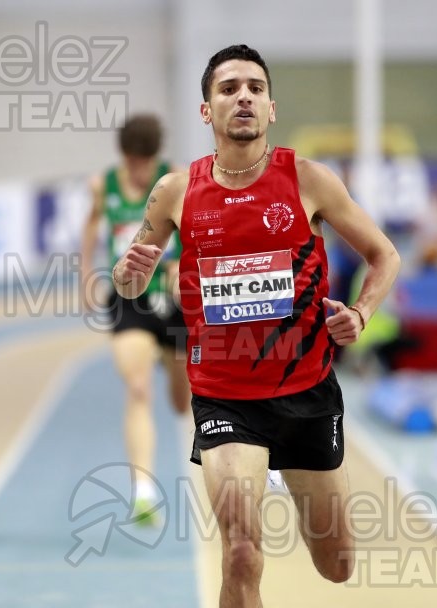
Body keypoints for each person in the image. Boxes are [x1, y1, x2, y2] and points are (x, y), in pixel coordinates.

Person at [112, 46, 400, 605]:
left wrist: (361, 314)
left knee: (337, 563)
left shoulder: (310, 180)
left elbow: (384, 255)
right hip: (225, 399)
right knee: (241, 549)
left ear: (270, 108)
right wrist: (127, 275)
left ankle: (285, 469)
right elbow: (129, 286)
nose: (242, 96)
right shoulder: (175, 191)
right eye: (227, 88)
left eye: (254, 88)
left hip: (307, 392)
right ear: (206, 111)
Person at [80, 115, 191, 521]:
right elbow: (92, 226)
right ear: (123, 157)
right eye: (134, 163)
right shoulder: (103, 185)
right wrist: (84, 275)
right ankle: (143, 492)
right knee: (139, 387)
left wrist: (186, 268)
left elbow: (196, 228)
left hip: (176, 298)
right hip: (130, 298)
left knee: (182, 402)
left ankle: (176, 371)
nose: (142, 171)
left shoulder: (175, 179)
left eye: (147, 162)